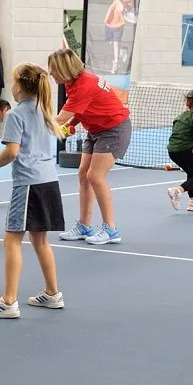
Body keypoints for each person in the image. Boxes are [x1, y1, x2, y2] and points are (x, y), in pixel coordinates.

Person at [0, 62, 65, 319]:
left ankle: (8, 302)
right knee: (40, 240)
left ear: (20, 86)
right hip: (48, 181)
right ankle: (52, 293)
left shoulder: (15, 114)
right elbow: (24, 148)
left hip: (28, 184)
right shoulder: (43, 110)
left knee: (11, 240)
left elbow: (13, 152)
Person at [49, 48, 131, 245]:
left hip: (114, 129)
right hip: (95, 129)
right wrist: (71, 125)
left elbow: (59, 118)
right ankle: (84, 226)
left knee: (95, 176)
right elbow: (79, 109)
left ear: (64, 68)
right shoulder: (73, 83)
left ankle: (111, 229)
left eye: (53, 70)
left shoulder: (84, 84)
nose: (51, 73)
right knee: (83, 175)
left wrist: (30, 121)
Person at [167, 89, 193, 212]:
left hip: (173, 151)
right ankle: (178, 190)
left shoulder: (179, 117)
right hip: (185, 150)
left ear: (186, 102)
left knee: (192, 173)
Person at [104, 0, 135, 74]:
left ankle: (116, 63)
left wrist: (125, 9)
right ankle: (123, 50)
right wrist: (121, 5)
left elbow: (127, 9)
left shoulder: (130, 4)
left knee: (116, 44)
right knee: (111, 42)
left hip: (119, 25)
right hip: (109, 23)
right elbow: (119, 4)